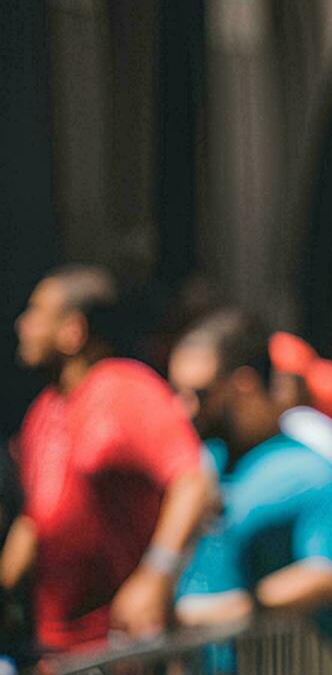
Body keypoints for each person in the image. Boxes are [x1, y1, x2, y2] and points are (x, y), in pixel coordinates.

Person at [11, 265, 216, 651]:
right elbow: (37, 517)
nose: (24, 325)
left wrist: (156, 574)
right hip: (54, 648)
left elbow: (193, 480)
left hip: (120, 650)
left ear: (73, 331)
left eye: (37, 313)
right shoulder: (42, 412)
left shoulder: (125, 389)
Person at [168, 310, 332, 668]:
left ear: (243, 384)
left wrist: (241, 607)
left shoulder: (315, 472)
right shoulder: (202, 464)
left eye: (198, 393)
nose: (182, 409)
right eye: (176, 392)